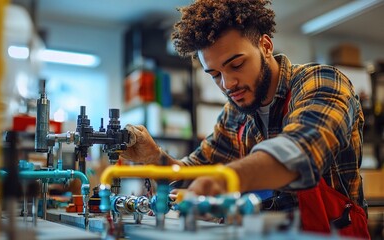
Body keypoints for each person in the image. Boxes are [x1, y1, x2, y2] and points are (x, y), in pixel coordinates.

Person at [122, 0, 369, 237]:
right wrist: (155, 158)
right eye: (215, 74)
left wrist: (224, 181)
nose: (227, 84)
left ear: (266, 46)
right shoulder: (235, 114)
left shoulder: (322, 82)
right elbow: (193, 174)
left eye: (237, 65)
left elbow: (302, 152)